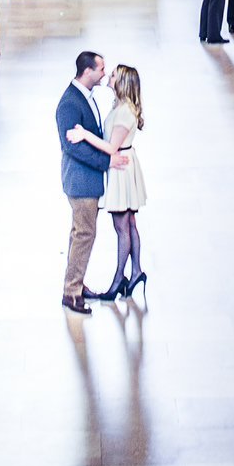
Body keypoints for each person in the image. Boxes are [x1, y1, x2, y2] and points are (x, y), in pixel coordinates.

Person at [63, 64, 147, 299]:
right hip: (123, 166)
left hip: (121, 168)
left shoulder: (124, 111)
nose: (108, 76)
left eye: (112, 75)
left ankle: (120, 277)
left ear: (122, 83)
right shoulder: (119, 106)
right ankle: (136, 271)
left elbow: (111, 147)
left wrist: (84, 134)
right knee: (128, 224)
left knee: (122, 226)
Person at [54, 51, 127, 314]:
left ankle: (76, 282)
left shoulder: (84, 97)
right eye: (101, 69)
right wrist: (106, 162)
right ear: (87, 72)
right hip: (81, 182)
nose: (105, 74)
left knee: (80, 234)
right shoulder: (70, 103)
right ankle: (72, 293)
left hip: (87, 181)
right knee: (84, 235)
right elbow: (73, 147)